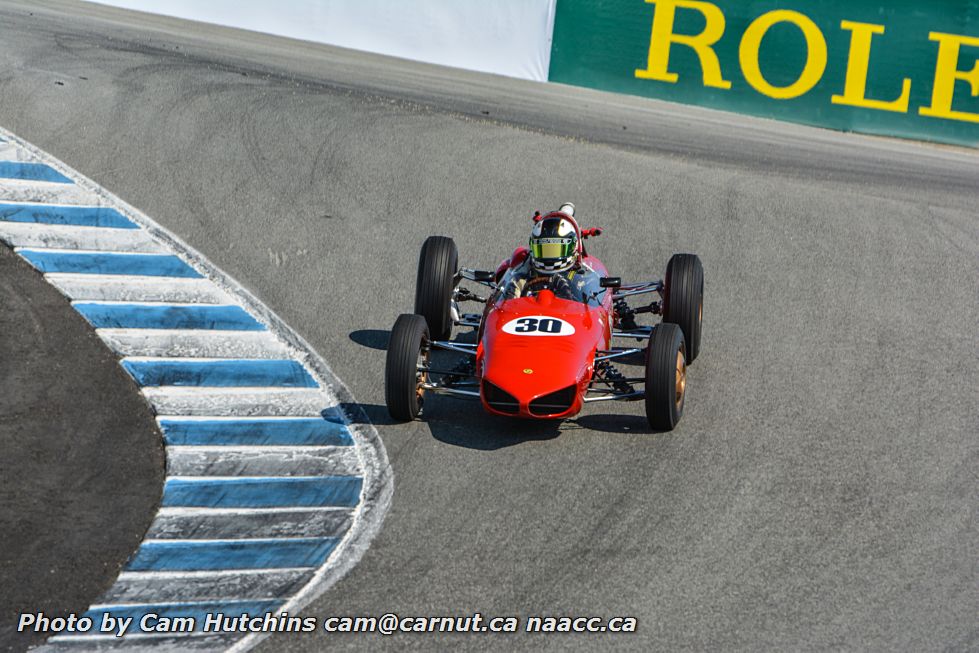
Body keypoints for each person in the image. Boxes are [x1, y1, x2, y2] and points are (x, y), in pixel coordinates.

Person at [503, 203, 599, 301]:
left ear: (573, 247)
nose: (549, 258)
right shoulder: (522, 276)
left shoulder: (581, 279)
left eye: (555, 250)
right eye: (544, 250)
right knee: (516, 257)